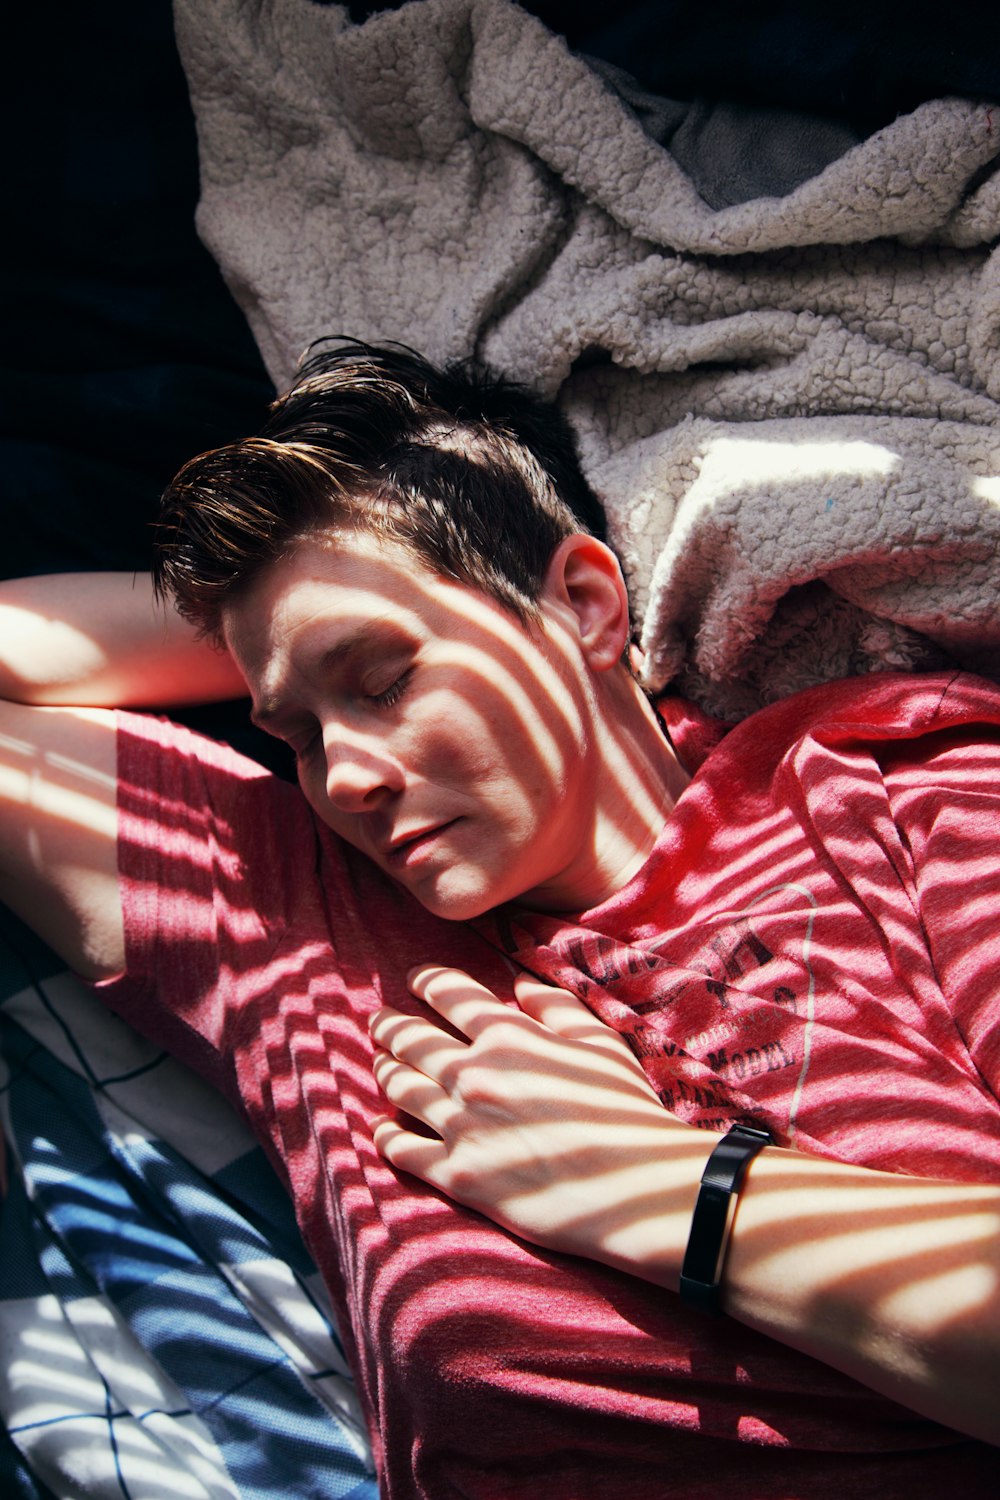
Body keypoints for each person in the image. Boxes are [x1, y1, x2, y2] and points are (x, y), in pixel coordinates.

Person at [0, 342, 998, 1499]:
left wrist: (659, 1186)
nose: (349, 779)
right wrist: (266, 625)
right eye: (303, 735)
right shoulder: (308, 929)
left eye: (381, 681)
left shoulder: (885, 783)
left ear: (581, 601)